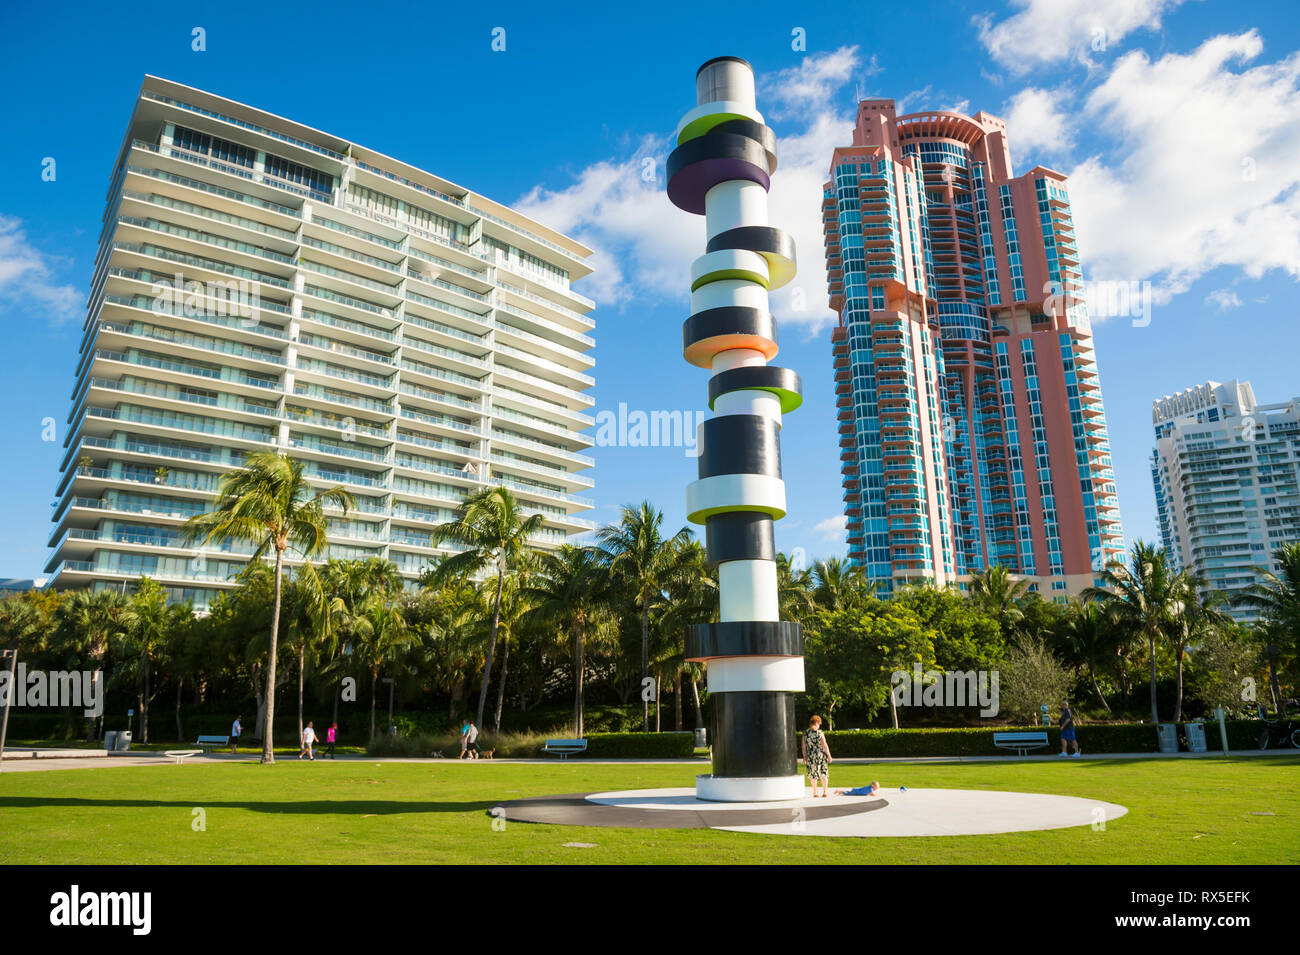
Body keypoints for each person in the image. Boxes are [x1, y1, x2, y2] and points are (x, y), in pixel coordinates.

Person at [802, 715, 832, 797]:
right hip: (820, 755)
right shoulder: (820, 732)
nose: (819, 725)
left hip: (811, 756)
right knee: (823, 773)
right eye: (819, 723)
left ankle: (815, 792)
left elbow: (803, 747)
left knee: (813, 774)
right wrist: (829, 755)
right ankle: (825, 792)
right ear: (816, 723)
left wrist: (804, 757)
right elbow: (825, 745)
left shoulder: (806, 733)